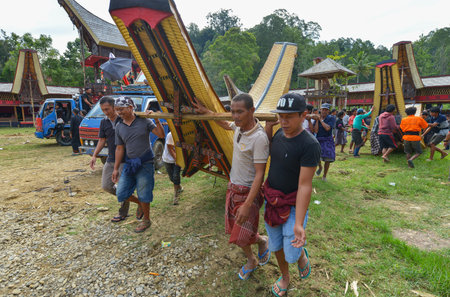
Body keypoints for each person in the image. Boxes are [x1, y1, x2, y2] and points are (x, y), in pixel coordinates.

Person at [193, 93, 270, 280]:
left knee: (240, 235)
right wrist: (208, 112)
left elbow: (260, 174)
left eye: (240, 112)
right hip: (233, 187)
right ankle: (261, 243)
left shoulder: (259, 138)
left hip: (248, 192)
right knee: (240, 231)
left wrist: (247, 204)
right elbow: (227, 124)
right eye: (232, 111)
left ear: (252, 111)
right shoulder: (239, 127)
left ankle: (252, 259)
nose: (235, 116)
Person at [264, 93, 321, 296]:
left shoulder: (310, 145)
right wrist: (269, 130)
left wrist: (298, 222)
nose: (283, 121)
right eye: (280, 116)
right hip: (272, 199)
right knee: (276, 245)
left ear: (303, 115)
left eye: (289, 116)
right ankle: (285, 276)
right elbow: (277, 156)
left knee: (291, 250)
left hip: (292, 202)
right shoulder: (279, 133)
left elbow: (305, 185)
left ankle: (299, 256)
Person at [112, 96, 165, 233]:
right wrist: (116, 168)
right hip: (130, 164)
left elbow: (161, 134)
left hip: (145, 162)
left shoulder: (144, 121)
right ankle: (140, 204)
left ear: (130, 107)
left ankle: (146, 220)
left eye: (121, 109)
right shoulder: (119, 126)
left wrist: (157, 119)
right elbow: (119, 148)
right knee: (121, 193)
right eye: (117, 110)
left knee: (144, 192)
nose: (119, 112)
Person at [89, 96, 142, 222]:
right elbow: (102, 140)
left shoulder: (125, 119)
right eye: (103, 110)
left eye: (107, 109)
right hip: (111, 158)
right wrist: (94, 155)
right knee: (107, 186)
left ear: (114, 107)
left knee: (122, 188)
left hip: (126, 159)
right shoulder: (104, 122)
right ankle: (139, 201)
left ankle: (123, 212)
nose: (105, 112)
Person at [314, 103, 335, 181]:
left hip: (327, 139)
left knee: (328, 159)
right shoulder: (317, 118)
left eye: (326, 110)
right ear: (320, 110)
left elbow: (327, 128)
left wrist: (320, 120)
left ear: (328, 111)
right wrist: (317, 121)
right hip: (319, 139)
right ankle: (320, 167)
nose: (324, 111)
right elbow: (315, 130)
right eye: (323, 109)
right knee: (317, 156)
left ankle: (324, 176)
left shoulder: (331, 118)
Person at [162, 131, 183, 205]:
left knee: (175, 176)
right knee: (172, 178)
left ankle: (175, 197)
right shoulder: (171, 135)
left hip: (177, 159)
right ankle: (179, 187)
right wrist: (177, 159)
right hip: (168, 159)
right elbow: (170, 148)